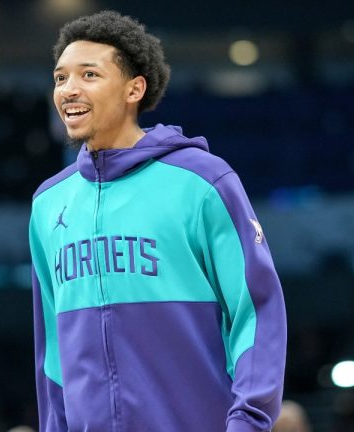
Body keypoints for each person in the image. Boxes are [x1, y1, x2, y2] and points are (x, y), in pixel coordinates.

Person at [29, 10, 287, 432]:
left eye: (89, 74)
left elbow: (256, 312)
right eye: (60, 78)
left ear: (134, 89)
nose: (69, 90)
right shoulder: (47, 203)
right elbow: (52, 352)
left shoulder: (203, 181)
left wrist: (248, 421)